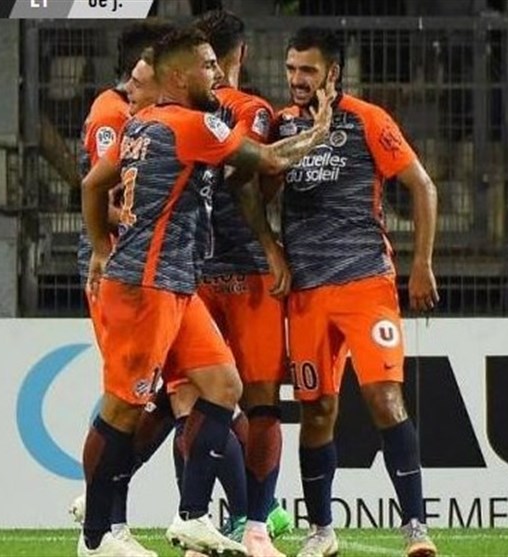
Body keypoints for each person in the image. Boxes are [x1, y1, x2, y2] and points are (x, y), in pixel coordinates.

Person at [79, 27, 334, 557]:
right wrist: (319, 130)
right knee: (124, 408)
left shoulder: (142, 123)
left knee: (223, 385)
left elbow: (93, 184)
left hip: (176, 284)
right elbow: (269, 160)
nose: (216, 74)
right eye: (207, 66)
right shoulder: (192, 125)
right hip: (146, 286)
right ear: (179, 77)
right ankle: (97, 537)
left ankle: (192, 517)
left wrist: (101, 247)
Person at [275, 27, 440, 557]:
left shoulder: (368, 120)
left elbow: (423, 186)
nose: (297, 79)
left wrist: (422, 263)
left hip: (366, 283)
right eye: (291, 69)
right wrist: (271, 251)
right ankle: (321, 531)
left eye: (307, 70)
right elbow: (253, 189)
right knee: (316, 410)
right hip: (306, 292)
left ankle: (415, 527)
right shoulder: (281, 126)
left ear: (333, 72)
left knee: (384, 398)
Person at [70, 20, 177, 557]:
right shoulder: (112, 115)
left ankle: (103, 509)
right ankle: (105, 524)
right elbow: (103, 194)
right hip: (120, 269)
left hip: (157, 272)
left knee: (171, 394)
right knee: (129, 397)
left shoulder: (158, 117)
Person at [194, 10, 293, 556]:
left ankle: (201, 523)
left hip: (195, 272)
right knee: (259, 404)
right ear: (243, 53)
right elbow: (248, 174)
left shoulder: (179, 110)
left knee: (196, 405)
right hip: (245, 271)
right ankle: (255, 525)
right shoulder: (253, 110)